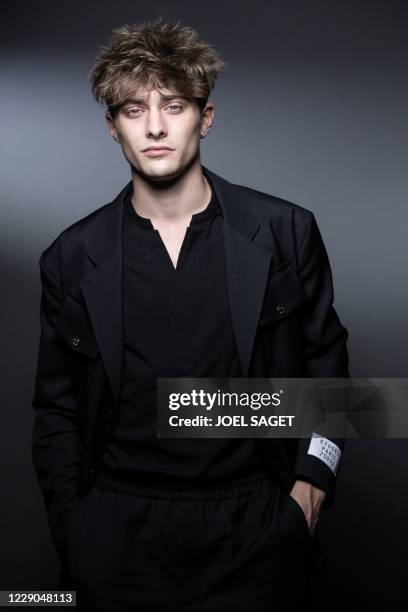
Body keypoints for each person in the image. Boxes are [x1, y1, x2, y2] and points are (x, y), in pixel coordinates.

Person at [31, 17, 350, 612]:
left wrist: (310, 489)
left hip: (254, 525)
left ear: (206, 118)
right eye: (133, 109)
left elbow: (334, 379)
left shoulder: (286, 232)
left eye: (173, 105)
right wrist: (75, 528)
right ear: (112, 127)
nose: (154, 126)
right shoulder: (70, 259)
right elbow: (56, 410)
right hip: (118, 531)